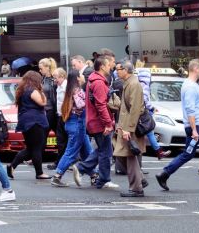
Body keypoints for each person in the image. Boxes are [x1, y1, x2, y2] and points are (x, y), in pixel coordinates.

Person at [155, 59, 199, 192]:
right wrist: (194, 129)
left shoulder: (190, 84)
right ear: (195, 69)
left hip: (195, 125)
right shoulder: (190, 86)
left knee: (188, 154)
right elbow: (190, 109)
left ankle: (164, 174)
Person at [73, 56, 119, 189]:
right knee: (106, 151)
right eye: (109, 64)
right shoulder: (98, 82)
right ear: (103, 67)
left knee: (103, 149)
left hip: (94, 120)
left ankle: (89, 172)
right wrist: (108, 123)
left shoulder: (93, 79)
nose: (111, 66)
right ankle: (100, 178)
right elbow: (101, 105)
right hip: (99, 122)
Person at [50, 70, 93, 187]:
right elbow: (81, 105)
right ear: (78, 78)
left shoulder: (69, 89)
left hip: (73, 123)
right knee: (70, 152)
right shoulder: (77, 90)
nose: (84, 77)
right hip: (77, 124)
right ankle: (57, 176)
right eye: (81, 75)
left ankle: (94, 175)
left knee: (88, 152)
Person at [7, 71, 51, 180]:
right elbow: (43, 102)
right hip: (35, 121)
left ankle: (12, 165)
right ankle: (39, 173)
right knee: (37, 147)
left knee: (30, 148)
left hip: (25, 121)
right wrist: (41, 90)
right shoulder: (33, 90)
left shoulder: (22, 90)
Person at [114, 60, 147, 197]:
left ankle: (136, 188)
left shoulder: (134, 84)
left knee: (130, 156)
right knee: (121, 154)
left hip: (130, 127)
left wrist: (128, 128)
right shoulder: (128, 83)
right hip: (125, 126)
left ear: (126, 70)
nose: (116, 71)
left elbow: (134, 109)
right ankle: (140, 181)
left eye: (118, 69)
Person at [135, 63, 170, 159]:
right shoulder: (144, 86)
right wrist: (152, 108)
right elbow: (145, 100)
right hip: (144, 112)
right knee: (149, 131)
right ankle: (159, 152)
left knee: (147, 132)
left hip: (140, 112)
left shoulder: (138, 83)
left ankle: (158, 152)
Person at [48, 68, 68, 170]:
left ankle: (60, 163)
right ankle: (60, 162)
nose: (54, 80)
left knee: (63, 141)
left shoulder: (66, 87)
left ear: (62, 76)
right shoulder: (59, 87)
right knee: (61, 141)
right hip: (60, 116)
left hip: (65, 117)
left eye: (56, 78)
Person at [39, 58, 58, 151]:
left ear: (47, 68)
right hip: (45, 109)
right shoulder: (44, 78)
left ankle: (36, 155)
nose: (40, 70)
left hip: (51, 110)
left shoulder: (53, 80)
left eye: (41, 68)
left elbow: (55, 96)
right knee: (44, 133)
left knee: (43, 133)